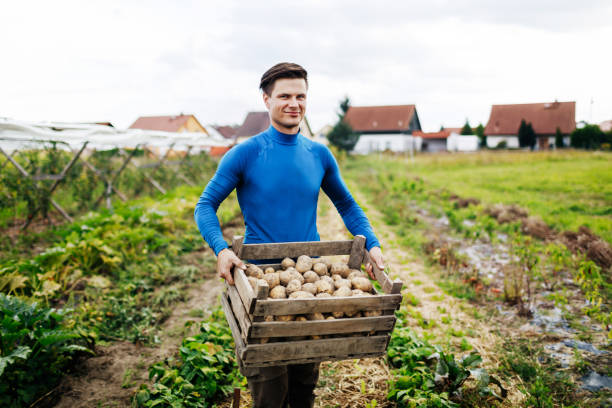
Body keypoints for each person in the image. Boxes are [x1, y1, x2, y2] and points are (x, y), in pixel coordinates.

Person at [194, 62, 384, 408]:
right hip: (261, 285)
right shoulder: (245, 154)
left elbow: (347, 204)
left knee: (304, 385)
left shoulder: (319, 155)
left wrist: (371, 242)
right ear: (266, 99)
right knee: (270, 389)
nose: (293, 103)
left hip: (307, 283)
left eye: (300, 96)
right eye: (284, 96)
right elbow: (205, 205)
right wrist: (221, 249)